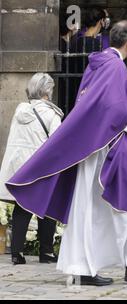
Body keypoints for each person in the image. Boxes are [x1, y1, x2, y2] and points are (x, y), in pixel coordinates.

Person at [6, 21, 127, 287]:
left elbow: (91, 102)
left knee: (91, 207)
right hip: (111, 146)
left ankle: (88, 267)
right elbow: (111, 109)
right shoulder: (115, 66)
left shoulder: (99, 62)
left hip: (94, 144)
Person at [0, 74, 63, 265]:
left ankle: (16, 253)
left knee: (22, 208)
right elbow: (56, 144)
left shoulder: (20, 111)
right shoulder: (52, 115)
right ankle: (46, 252)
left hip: (21, 168)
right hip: (41, 168)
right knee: (48, 208)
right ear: (47, 90)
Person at [68, 7, 106, 113]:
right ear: (101, 21)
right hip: (89, 87)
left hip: (74, 85)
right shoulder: (96, 43)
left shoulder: (76, 41)